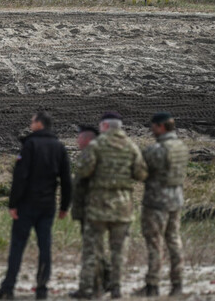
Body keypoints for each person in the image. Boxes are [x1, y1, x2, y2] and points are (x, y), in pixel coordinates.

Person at [0, 111, 72, 300]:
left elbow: (20, 177)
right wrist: (65, 206)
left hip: (27, 204)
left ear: (40, 124)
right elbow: (66, 180)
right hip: (47, 204)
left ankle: (8, 287)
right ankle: (42, 289)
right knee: (45, 247)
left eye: (32, 120)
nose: (30, 123)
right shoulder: (59, 147)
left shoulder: (30, 145)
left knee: (17, 246)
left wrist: (13, 203)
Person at [70, 112, 147, 300]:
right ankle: (116, 288)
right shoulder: (131, 146)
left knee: (93, 250)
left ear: (104, 126)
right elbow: (141, 174)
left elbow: (83, 171)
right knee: (118, 251)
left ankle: (89, 289)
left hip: (98, 207)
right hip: (123, 207)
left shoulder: (96, 146)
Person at [135, 113, 188, 297]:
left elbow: (139, 173)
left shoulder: (156, 150)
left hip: (156, 202)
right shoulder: (181, 147)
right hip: (176, 200)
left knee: (155, 243)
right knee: (174, 241)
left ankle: (152, 284)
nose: (152, 130)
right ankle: (177, 283)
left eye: (154, 127)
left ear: (161, 127)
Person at [71, 125, 111, 296]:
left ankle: (87, 288)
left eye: (79, 137)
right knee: (98, 249)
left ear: (87, 139)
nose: (77, 141)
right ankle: (106, 280)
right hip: (94, 209)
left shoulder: (91, 156)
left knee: (90, 250)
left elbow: (82, 186)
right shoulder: (100, 156)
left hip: (92, 209)